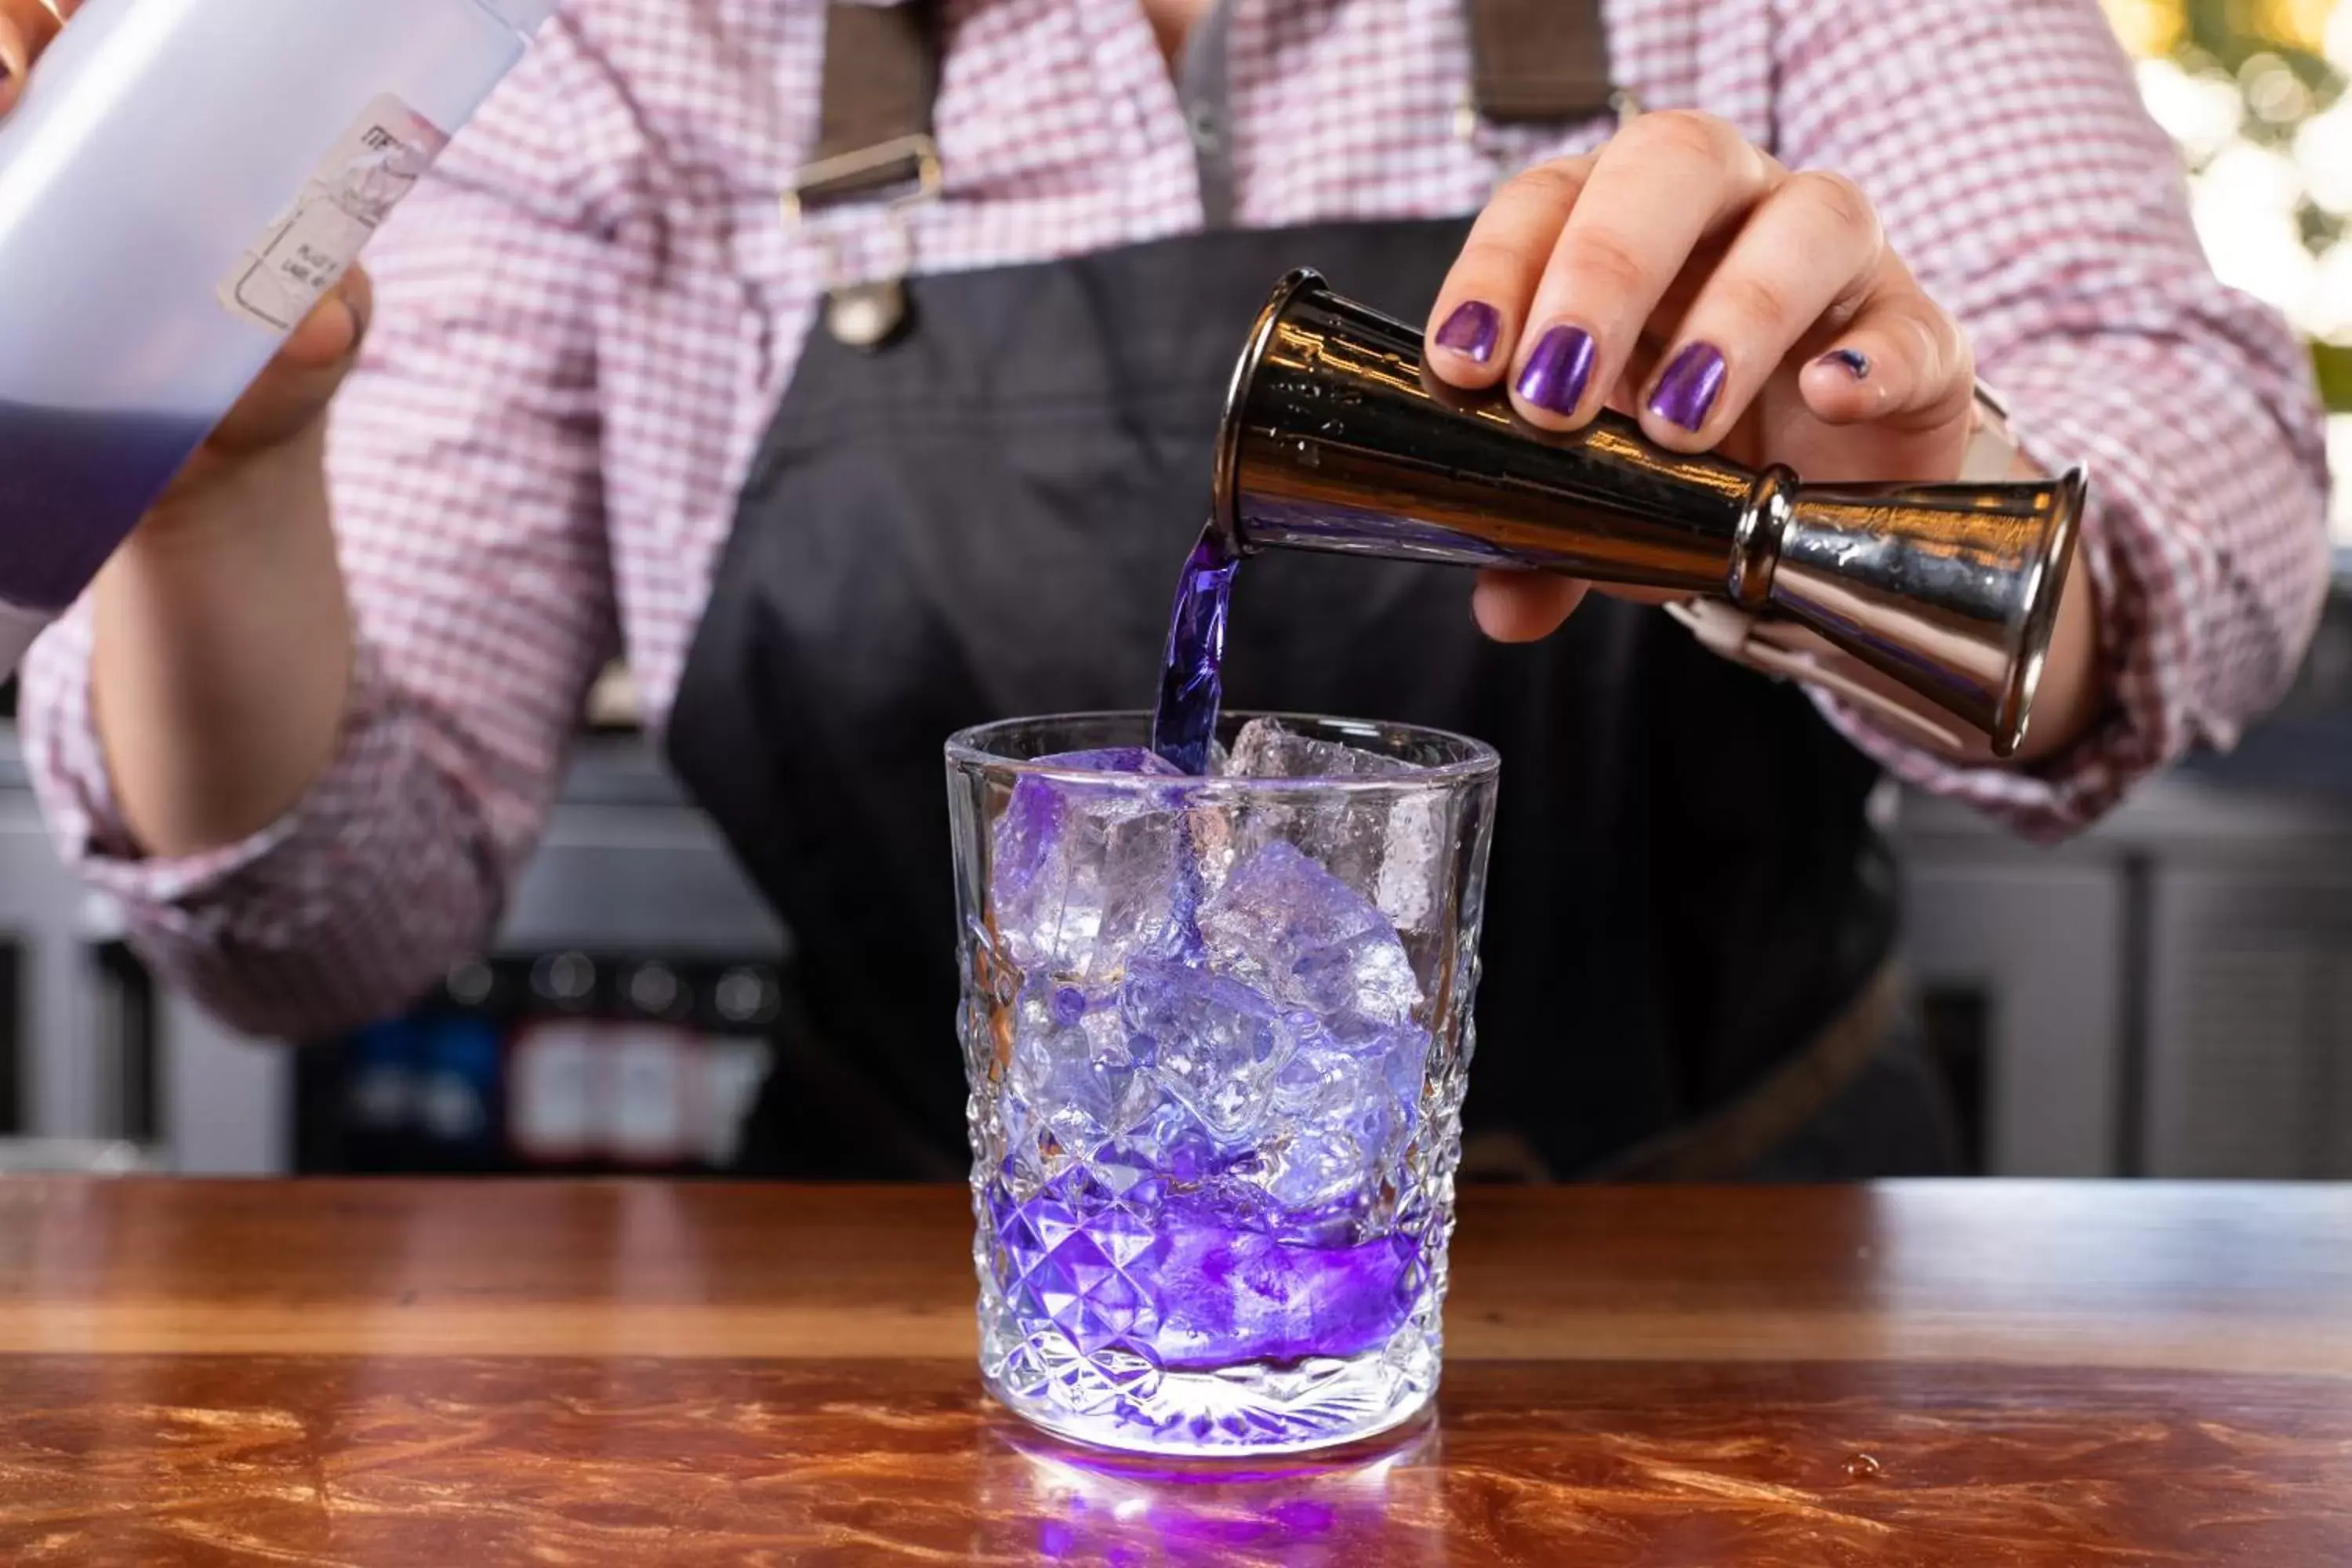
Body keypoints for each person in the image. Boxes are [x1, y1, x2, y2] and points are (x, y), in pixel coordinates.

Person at [1, 0, 2328, 1180]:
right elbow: (324, 927)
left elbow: (2203, 499)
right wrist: (220, 479)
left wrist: (1892, 505)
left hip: (1741, 1297)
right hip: (941, 1335)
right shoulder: (630, 45)